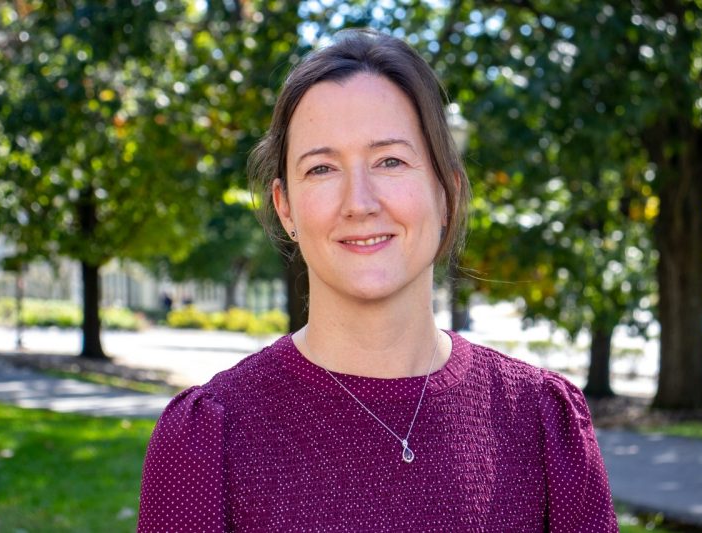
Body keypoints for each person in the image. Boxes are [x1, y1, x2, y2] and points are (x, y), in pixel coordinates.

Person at [137, 29, 617, 532]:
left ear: (447, 191)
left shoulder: (542, 424)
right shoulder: (207, 440)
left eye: (390, 161)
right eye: (322, 168)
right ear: (285, 207)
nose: (360, 202)